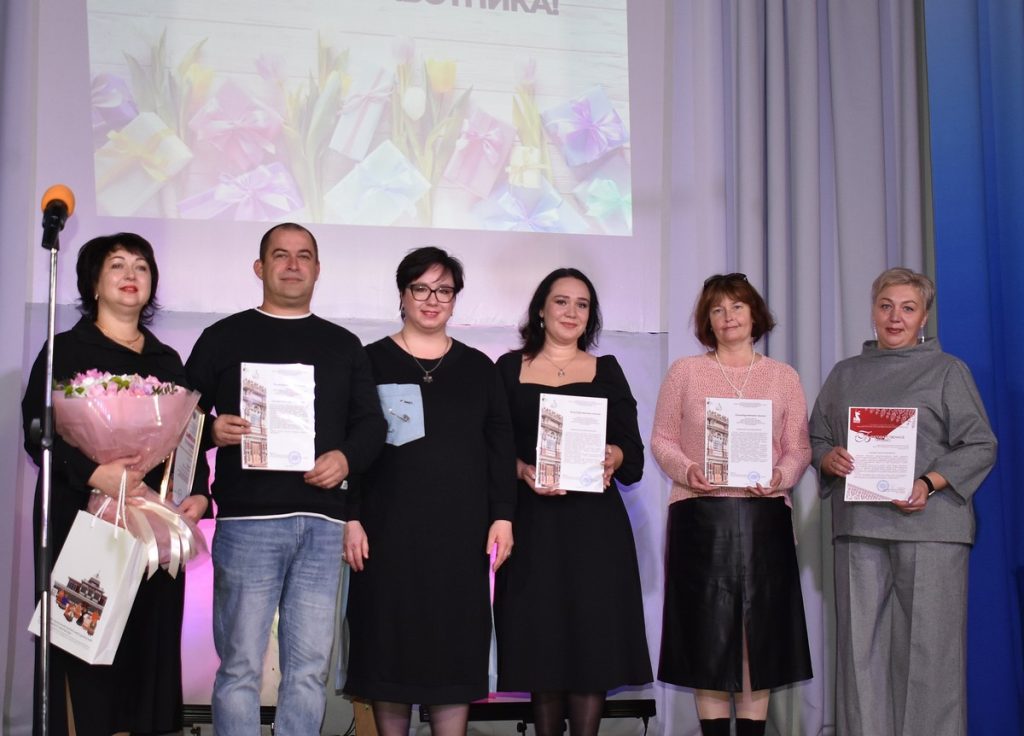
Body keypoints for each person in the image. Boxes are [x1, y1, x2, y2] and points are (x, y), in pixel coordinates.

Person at [185, 222, 387, 735]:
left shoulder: (343, 345)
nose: (293, 265)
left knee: (308, 671)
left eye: (303, 256)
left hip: (322, 524)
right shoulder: (222, 338)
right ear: (260, 267)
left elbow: (371, 425)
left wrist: (345, 458)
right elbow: (180, 419)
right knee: (239, 667)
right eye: (280, 255)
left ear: (318, 270)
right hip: (248, 522)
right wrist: (212, 431)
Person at [22, 233, 210, 736]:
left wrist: (199, 491)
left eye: (141, 267)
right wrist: (93, 473)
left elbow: (187, 436)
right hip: (82, 520)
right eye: (117, 266)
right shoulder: (65, 351)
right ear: (94, 283)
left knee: (147, 646)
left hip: (150, 524)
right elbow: (36, 431)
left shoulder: (167, 360)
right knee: (82, 641)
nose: (131, 275)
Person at [809, 267, 996, 736]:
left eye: (908, 308)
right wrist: (828, 458)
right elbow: (818, 438)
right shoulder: (845, 374)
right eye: (886, 306)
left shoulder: (948, 370)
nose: (895, 317)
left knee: (930, 652)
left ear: (924, 316)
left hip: (932, 529)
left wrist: (929, 483)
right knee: (859, 653)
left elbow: (980, 445)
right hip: (859, 526)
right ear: (873, 311)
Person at [343, 246, 516, 736]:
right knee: (388, 653)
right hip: (384, 538)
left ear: (456, 298)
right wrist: (350, 516)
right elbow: (348, 445)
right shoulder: (368, 361)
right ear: (402, 294)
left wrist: (503, 515)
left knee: (453, 655)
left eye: (444, 290)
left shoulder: (479, 368)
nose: (432, 299)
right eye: (421, 288)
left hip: (460, 541)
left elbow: (500, 448)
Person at [650, 273, 813, 736]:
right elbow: (662, 439)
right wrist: (688, 470)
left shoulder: (783, 376)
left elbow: (799, 448)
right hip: (700, 514)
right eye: (717, 310)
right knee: (709, 637)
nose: (728, 317)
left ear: (754, 314)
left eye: (737, 307)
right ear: (707, 321)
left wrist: (780, 476)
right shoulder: (685, 371)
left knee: (757, 637)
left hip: (765, 517)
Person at [493, 268, 652, 736]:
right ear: (541, 310)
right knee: (541, 645)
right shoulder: (507, 368)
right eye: (561, 301)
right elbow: (490, 448)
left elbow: (633, 455)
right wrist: (521, 470)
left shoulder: (608, 370)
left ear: (591, 316)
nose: (571, 312)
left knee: (591, 647)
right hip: (532, 526)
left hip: (594, 529)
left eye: (582, 304)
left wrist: (613, 455)